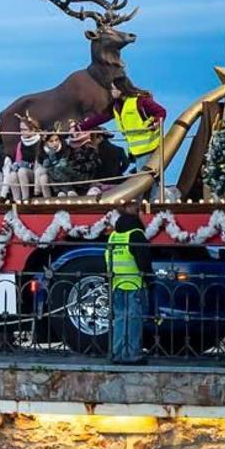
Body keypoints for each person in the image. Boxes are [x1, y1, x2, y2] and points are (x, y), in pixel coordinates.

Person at [75, 76, 167, 171]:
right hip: (136, 149)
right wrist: (80, 127)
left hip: (150, 146)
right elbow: (100, 118)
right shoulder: (116, 106)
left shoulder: (140, 101)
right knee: (144, 178)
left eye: (113, 88)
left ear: (121, 89)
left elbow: (161, 111)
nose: (111, 91)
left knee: (147, 179)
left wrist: (156, 121)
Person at [107, 198, 152, 364]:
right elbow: (144, 262)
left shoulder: (114, 235)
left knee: (119, 319)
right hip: (135, 284)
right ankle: (132, 354)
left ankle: (117, 353)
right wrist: (150, 280)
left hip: (117, 283)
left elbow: (108, 258)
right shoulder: (136, 234)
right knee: (133, 319)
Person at [3, 114, 43, 201]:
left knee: (22, 171)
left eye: (25, 130)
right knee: (12, 175)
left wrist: (25, 165)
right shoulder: (20, 143)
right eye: (21, 130)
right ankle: (17, 200)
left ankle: (26, 198)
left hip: (34, 173)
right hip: (22, 169)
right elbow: (18, 160)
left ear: (33, 130)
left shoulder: (39, 142)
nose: (22, 132)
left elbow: (39, 163)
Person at [55, 129, 103, 197]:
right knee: (55, 169)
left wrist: (76, 166)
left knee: (62, 168)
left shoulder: (90, 150)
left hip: (85, 178)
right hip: (72, 177)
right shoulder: (69, 150)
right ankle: (64, 190)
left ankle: (69, 190)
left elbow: (96, 164)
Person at [34, 131, 67, 198]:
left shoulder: (64, 148)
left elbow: (62, 165)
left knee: (41, 172)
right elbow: (41, 162)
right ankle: (46, 199)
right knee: (43, 177)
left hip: (58, 173)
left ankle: (37, 190)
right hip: (47, 173)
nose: (55, 143)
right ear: (46, 143)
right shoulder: (43, 150)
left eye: (56, 140)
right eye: (51, 141)